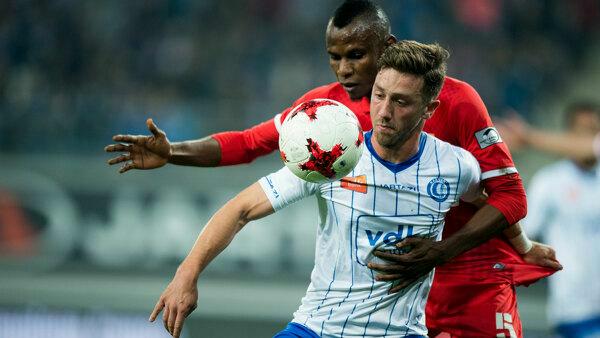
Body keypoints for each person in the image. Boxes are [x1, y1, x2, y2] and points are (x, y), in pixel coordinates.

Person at [106, 1, 559, 336]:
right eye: (335, 57)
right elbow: (248, 144)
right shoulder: (327, 119)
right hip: (379, 287)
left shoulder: (457, 102)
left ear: (388, 47)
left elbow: (500, 193)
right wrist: (175, 152)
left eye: (356, 55)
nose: (344, 69)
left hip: (465, 271)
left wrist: (514, 243)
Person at [149, 40, 483, 338]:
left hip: (402, 333)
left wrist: (524, 247)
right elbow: (239, 210)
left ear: (430, 108)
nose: (383, 112)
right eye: (379, 95)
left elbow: (490, 210)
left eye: (401, 102)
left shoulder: (456, 167)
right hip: (318, 328)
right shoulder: (333, 156)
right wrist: (186, 275)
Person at [521, 103, 600, 338]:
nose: (588, 138)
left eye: (594, 130)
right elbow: (525, 234)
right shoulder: (549, 182)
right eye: (583, 131)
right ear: (568, 135)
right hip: (573, 307)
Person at [496, 103, 600, 162]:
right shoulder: (548, 182)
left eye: (592, 130)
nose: (585, 138)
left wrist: (528, 136)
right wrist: (527, 136)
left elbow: (586, 146)